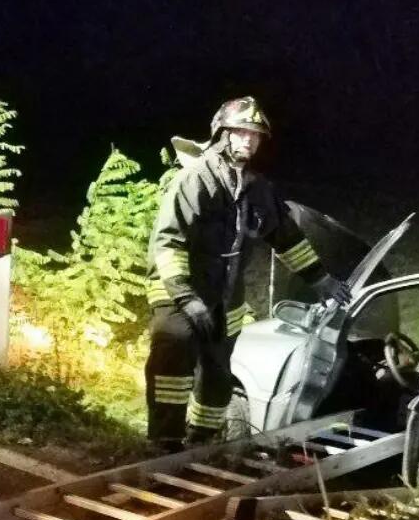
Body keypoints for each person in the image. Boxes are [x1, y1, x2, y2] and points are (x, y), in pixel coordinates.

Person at [144, 96, 349, 452]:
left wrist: (321, 280)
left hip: (226, 297)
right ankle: (164, 443)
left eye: (254, 136)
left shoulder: (258, 190)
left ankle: (204, 440)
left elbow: (287, 239)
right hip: (179, 292)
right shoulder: (194, 180)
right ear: (222, 134)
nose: (248, 141)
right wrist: (186, 298)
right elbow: (167, 242)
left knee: (219, 375)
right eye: (240, 132)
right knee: (173, 366)